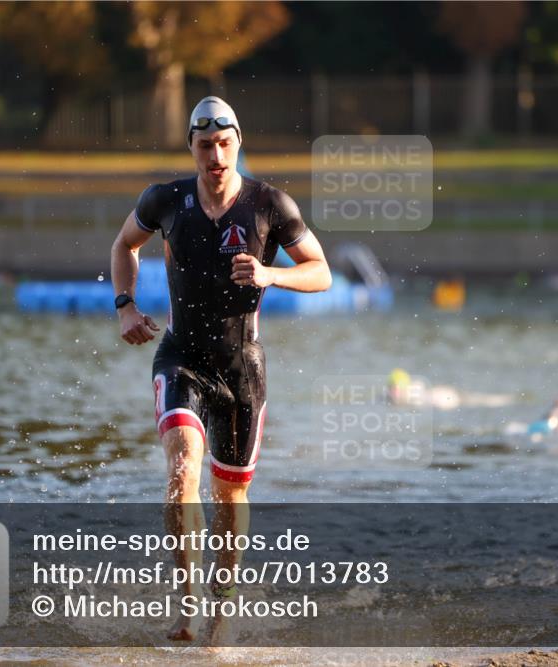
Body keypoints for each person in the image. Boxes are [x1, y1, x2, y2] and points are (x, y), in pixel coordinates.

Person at [110, 96, 332, 642]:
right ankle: (186, 601)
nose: (216, 155)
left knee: (230, 495)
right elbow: (124, 245)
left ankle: (222, 605)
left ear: (238, 144)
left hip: (241, 369)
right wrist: (126, 305)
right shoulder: (166, 201)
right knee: (183, 467)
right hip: (182, 355)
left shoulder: (269, 205)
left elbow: (321, 271)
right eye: (205, 145)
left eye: (225, 144)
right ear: (191, 147)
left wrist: (268, 274)